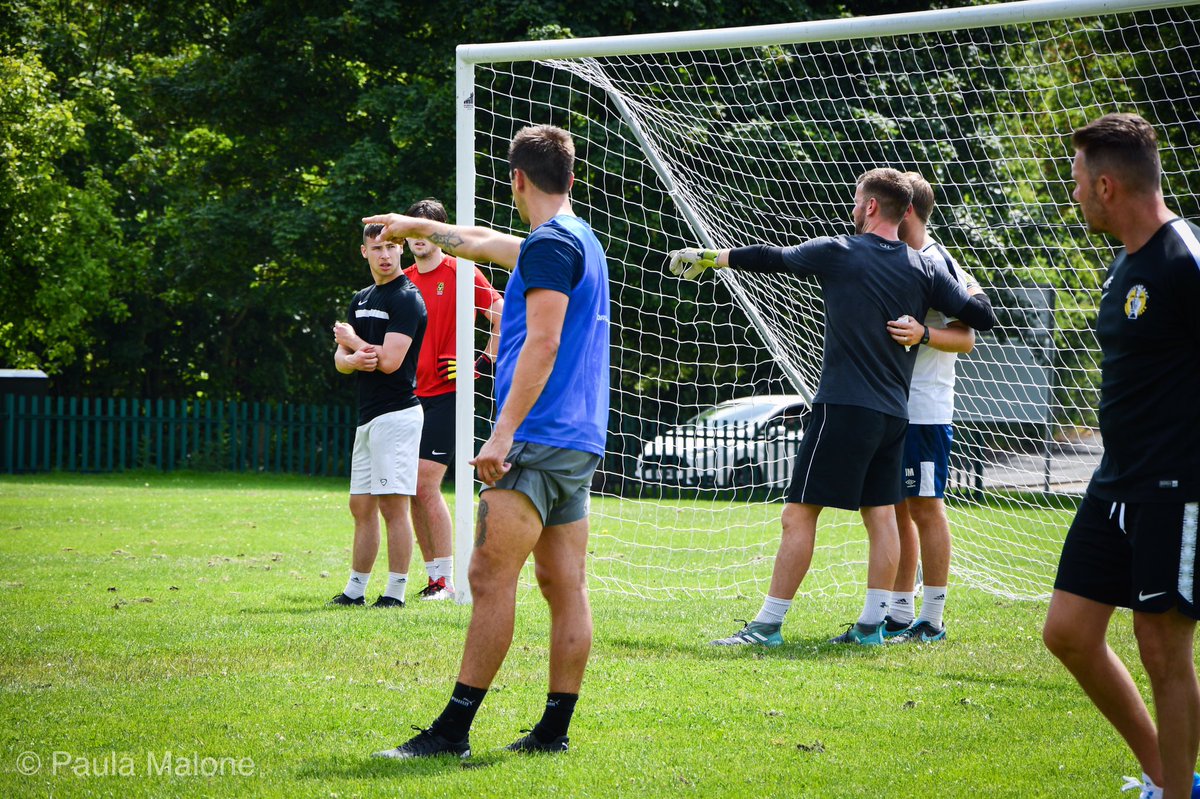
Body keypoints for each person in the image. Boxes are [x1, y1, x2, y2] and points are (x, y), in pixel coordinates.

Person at [669, 167, 996, 647]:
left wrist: (712, 258)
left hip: (844, 407)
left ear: (869, 207)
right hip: (894, 416)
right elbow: (982, 317)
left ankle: (767, 625)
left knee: (799, 514)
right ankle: (871, 627)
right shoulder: (925, 266)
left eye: (856, 199)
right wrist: (938, 316)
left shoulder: (840, 251)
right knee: (883, 515)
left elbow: (770, 258)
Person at [363, 124, 610, 758]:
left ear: (517, 180)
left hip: (537, 435)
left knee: (489, 575)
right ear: (571, 177)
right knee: (563, 583)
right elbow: (475, 240)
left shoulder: (552, 245)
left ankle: (452, 732)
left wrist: (501, 434)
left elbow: (546, 342)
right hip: (578, 438)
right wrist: (409, 225)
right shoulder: (570, 236)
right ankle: (553, 730)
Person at [1042, 112, 1200, 799]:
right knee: (1069, 631)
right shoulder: (1123, 264)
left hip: (1178, 487)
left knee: (1163, 647)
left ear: (1106, 185)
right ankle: (1171, 775)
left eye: (1076, 181)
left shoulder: (1185, 259)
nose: (1072, 195)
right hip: (1115, 484)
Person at [878, 172, 982, 644]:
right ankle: (899, 614)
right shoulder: (895, 258)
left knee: (926, 507)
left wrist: (923, 335)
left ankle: (933, 619)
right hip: (893, 406)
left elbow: (968, 336)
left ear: (909, 212)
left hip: (926, 409)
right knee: (898, 509)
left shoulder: (940, 262)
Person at [400, 197, 504, 602]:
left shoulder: (461, 271)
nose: (419, 237)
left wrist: (479, 362)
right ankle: (435, 578)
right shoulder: (403, 280)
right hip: (407, 396)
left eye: (427, 228)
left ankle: (446, 581)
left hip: (448, 395)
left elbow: (503, 313)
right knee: (410, 488)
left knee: (425, 483)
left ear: (440, 233)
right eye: (413, 229)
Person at [329, 224, 427, 608]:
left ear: (400, 250)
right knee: (361, 505)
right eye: (376, 248)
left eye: (390, 246)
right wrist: (351, 357)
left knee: (392, 505)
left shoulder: (407, 298)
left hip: (398, 415)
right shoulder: (360, 298)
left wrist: (354, 343)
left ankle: (395, 592)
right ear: (363, 252)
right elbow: (341, 361)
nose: (384, 255)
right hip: (368, 417)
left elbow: (388, 362)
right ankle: (355, 590)